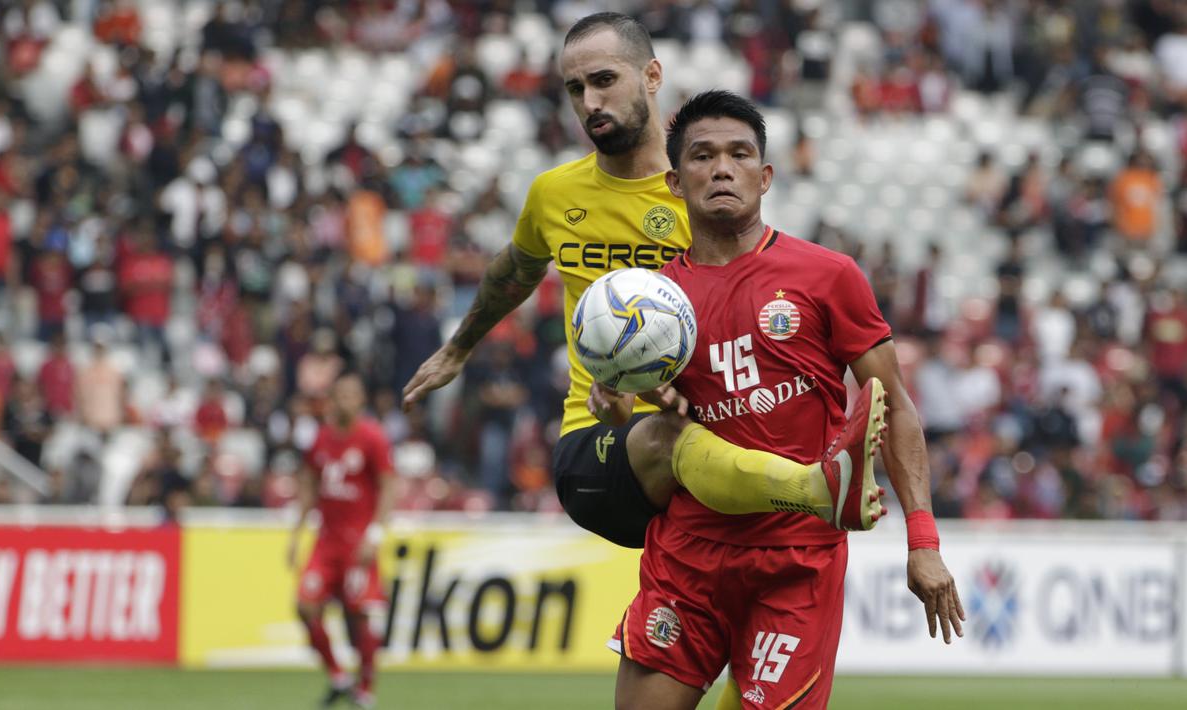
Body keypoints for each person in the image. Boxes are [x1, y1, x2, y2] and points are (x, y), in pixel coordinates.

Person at [402, 12, 884, 554]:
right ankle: (816, 488)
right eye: (576, 88)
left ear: (652, 76)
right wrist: (459, 348)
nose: (590, 102)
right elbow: (514, 269)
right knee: (671, 438)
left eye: (604, 80)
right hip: (600, 444)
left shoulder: (706, 197)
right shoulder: (554, 194)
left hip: (716, 442)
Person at [609, 90, 965, 710]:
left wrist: (924, 541)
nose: (722, 168)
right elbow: (648, 429)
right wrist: (618, 400)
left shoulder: (829, 276)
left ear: (765, 175)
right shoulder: (654, 306)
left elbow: (897, 407)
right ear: (673, 181)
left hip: (798, 561)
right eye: (702, 156)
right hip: (688, 555)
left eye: (739, 154)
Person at [287, 373, 396, 710]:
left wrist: (374, 535)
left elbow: (389, 487)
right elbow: (307, 487)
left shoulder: (372, 437)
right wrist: (296, 533)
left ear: (361, 400)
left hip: (357, 543)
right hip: (326, 542)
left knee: (361, 616)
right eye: (342, 394)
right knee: (305, 606)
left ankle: (365, 689)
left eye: (353, 394)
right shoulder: (320, 439)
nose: (347, 400)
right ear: (332, 400)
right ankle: (338, 676)